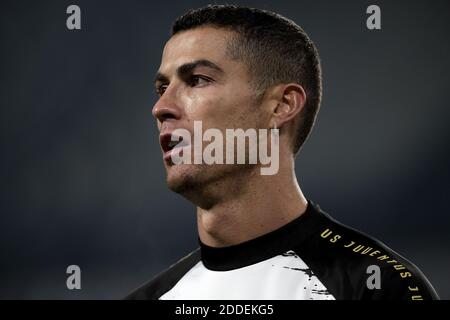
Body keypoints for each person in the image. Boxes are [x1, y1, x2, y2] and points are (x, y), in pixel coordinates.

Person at [126, 4, 439, 300]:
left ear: (282, 105)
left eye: (197, 80)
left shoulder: (375, 288)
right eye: (162, 88)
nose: (161, 107)